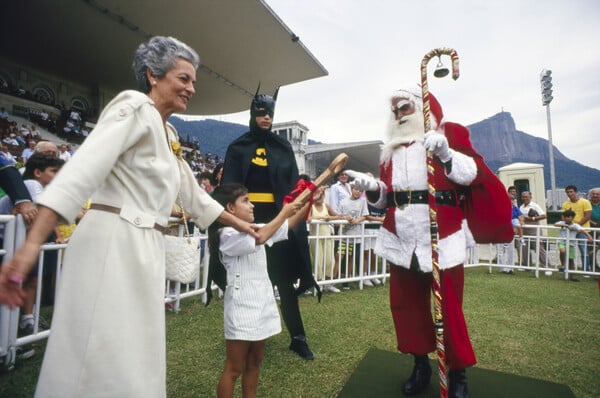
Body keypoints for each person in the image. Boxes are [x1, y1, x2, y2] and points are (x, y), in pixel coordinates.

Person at [0, 36, 258, 397]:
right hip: (111, 244)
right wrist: (29, 248)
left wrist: (242, 224)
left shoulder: (167, 132)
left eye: (194, 81)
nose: (192, 88)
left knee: (137, 358)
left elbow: (194, 195)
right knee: (101, 358)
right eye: (184, 78)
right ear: (153, 75)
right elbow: (80, 172)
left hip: (144, 248)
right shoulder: (134, 106)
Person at [347, 85, 511, 398]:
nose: (398, 114)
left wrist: (447, 153)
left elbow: (472, 173)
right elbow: (386, 201)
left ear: (422, 106)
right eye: (394, 110)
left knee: (449, 309)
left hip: (442, 236)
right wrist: (372, 188)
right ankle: (420, 364)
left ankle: (458, 372)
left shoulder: (449, 133)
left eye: (404, 107)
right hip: (401, 238)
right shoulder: (389, 150)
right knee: (405, 305)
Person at [222, 87, 320, 360]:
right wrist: (237, 222)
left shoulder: (282, 147)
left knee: (284, 280)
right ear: (253, 114)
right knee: (244, 282)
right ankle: (243, 335)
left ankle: (298, 337)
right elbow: (228, 190)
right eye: (261, 113)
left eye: (270, 114)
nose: (266, 118)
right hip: (247, 223)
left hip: (277, 219)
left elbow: (290, 187)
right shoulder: (238, 147)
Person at [209, 183, 305, 398]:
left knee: (254, 363)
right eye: (245, 201)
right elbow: (261, 237)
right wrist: (283, 212)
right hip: (242, 306)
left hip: (262, 301)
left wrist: (309, 198)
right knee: (234, 369)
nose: (252, 205)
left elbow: (288, 224)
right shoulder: (226, 234)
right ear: (230, 208)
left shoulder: (256, 227)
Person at [308, 185, 344, 293]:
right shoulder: (311, 206)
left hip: (327, 237)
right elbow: (308, 218)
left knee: (330, 260)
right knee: (318, 261)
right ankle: (318, 284)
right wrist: (322, 218)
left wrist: (330, 218)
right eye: (317, 195)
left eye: (321, 195)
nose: (319, 197)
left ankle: (328, 284)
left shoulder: (326, 206)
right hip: (316, 238)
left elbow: (338, 216)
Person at [338, 183, 368, 289]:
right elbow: (339, 216)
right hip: (344, 235)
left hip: (358, 236)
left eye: (360, 190)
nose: (358, 192)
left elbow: (365, 216)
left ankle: (357, 280)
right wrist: (347, 219)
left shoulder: (363, 201)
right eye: (356, 189)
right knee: (343, 258)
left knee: (355, 258)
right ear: (351, 189)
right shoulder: (343, 202)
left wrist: (356, 220)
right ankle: (344, 282)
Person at [555, 209, 593, 282]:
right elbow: (555, 224)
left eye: (570, 217)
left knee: (571, 260)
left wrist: (589, 236)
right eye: (566, 217)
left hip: (571, 243)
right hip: (562, 241)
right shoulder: (562, 223)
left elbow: (582, 230)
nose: (568, 218)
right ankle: (563, 265)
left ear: (572, 217)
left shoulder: (575, 225)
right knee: (562, 251)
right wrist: (565, 226)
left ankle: (572, 276)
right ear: (564, 217)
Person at [561, 185, 592, 272]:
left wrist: (575, 226)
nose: (569, 194)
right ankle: (571, 269)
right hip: (570, 231)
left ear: (576, 192)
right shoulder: (565, 204)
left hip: (582, 230)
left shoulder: (585, 202)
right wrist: (569, 225)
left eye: (571, 191)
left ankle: (585, 270)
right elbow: (563, 217)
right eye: (568, 192)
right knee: (569, 250)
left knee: (584, 250)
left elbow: (587, 216)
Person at [519, 191, 548, 267]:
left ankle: (546, 266)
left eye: (527, 197)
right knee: (524, 248)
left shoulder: (535, 206)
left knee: (538, 248)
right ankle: (527, 266)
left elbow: (544, 215)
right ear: (521, 198)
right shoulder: (521, 207)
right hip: (524, 230)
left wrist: (532, 218)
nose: (525, 198)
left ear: (530, 197)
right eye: (524, 197)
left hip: (534, 229)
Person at [588, 187, 600, 270]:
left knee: (595, 248)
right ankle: (594, 269)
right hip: (591, 229)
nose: (595, 195)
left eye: (597, 194)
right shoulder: (586, 204)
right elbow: (583, 215)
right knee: (590, 249)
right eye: (593, 194)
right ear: (590, 195)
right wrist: (593, 223)